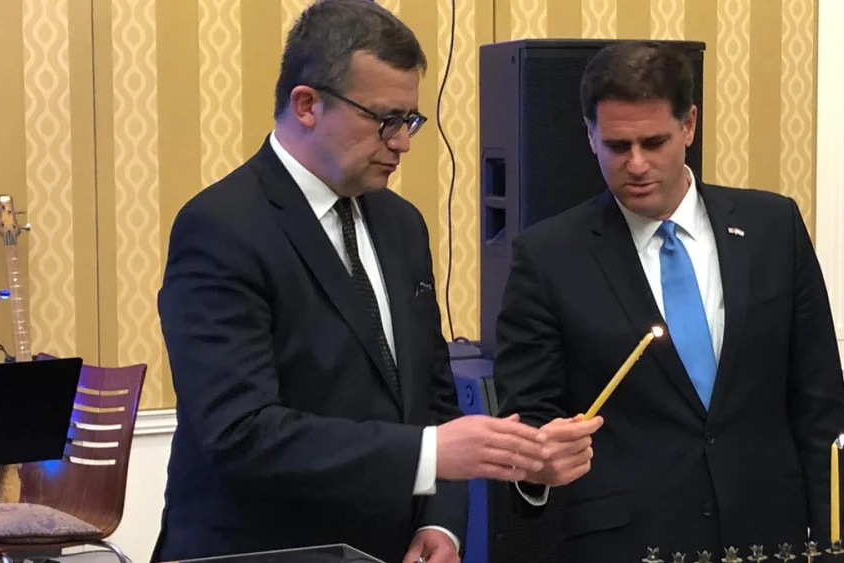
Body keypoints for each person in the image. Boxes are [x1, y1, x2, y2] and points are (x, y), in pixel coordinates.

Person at [151, 2, 550, 562]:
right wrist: (430, 454)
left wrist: (441, 525)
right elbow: (240, 432)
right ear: (307, 105)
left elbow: (431, 398)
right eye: (385, 119)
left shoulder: (400, 223)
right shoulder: (221, 226)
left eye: (410, 120)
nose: (403, 142)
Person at [493, 41, 844, 561]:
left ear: (689, 126)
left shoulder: (773, 227)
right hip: (627, 542)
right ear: (590, 137)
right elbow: (530, 420)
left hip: (769, 534)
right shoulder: (548, 256)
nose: (637, 165)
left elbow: (820, 403)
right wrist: (538, 463)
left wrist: (839, 545)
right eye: (617, 146)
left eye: (654, 142)